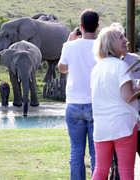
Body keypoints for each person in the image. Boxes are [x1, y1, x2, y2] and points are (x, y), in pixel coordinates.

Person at [91, 26, 139, 180]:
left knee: (100, 171)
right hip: (123, 126)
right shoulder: (121, 66)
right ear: (111, 43)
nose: (126, 40)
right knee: (126, 172)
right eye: (121, 38)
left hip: (101, 127)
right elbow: (128, 97)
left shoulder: (96, 68)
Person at [58, 9, 99, 180]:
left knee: (76, 151)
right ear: (97, 27)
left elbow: (62, 68)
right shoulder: (101, 47)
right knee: (96, 152)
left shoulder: (69, 46)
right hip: (96, 104)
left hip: (74, 104)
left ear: (80, 27)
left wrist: (69, 41)